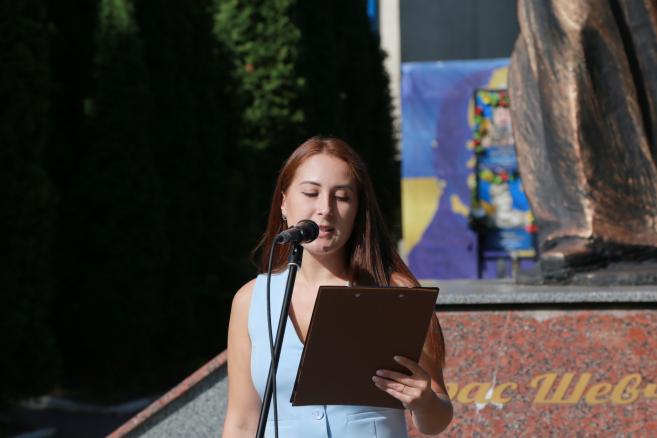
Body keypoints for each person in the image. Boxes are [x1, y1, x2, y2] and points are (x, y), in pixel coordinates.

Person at [222, 137, 453, 437]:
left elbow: (437, 419)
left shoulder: (393, 291)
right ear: (284, 203)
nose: (325, 209)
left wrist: (424, 402)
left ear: (357, 210)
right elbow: (241, 421)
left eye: (342, 197)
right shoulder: (251, 299)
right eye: (311, 193)